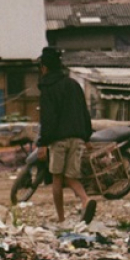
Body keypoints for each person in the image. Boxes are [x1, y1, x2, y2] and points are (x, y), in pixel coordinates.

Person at [36, 46, 97, 225]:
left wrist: (43, 143)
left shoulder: (47, 88)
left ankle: (62, 217)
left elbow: (48, 118)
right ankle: (85, 200)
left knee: (57, 177)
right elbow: (84, 112)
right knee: (71, 176)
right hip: (78, 138)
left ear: (44, 67)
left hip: (58, 140)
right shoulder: (73, 85)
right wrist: (87, 138)